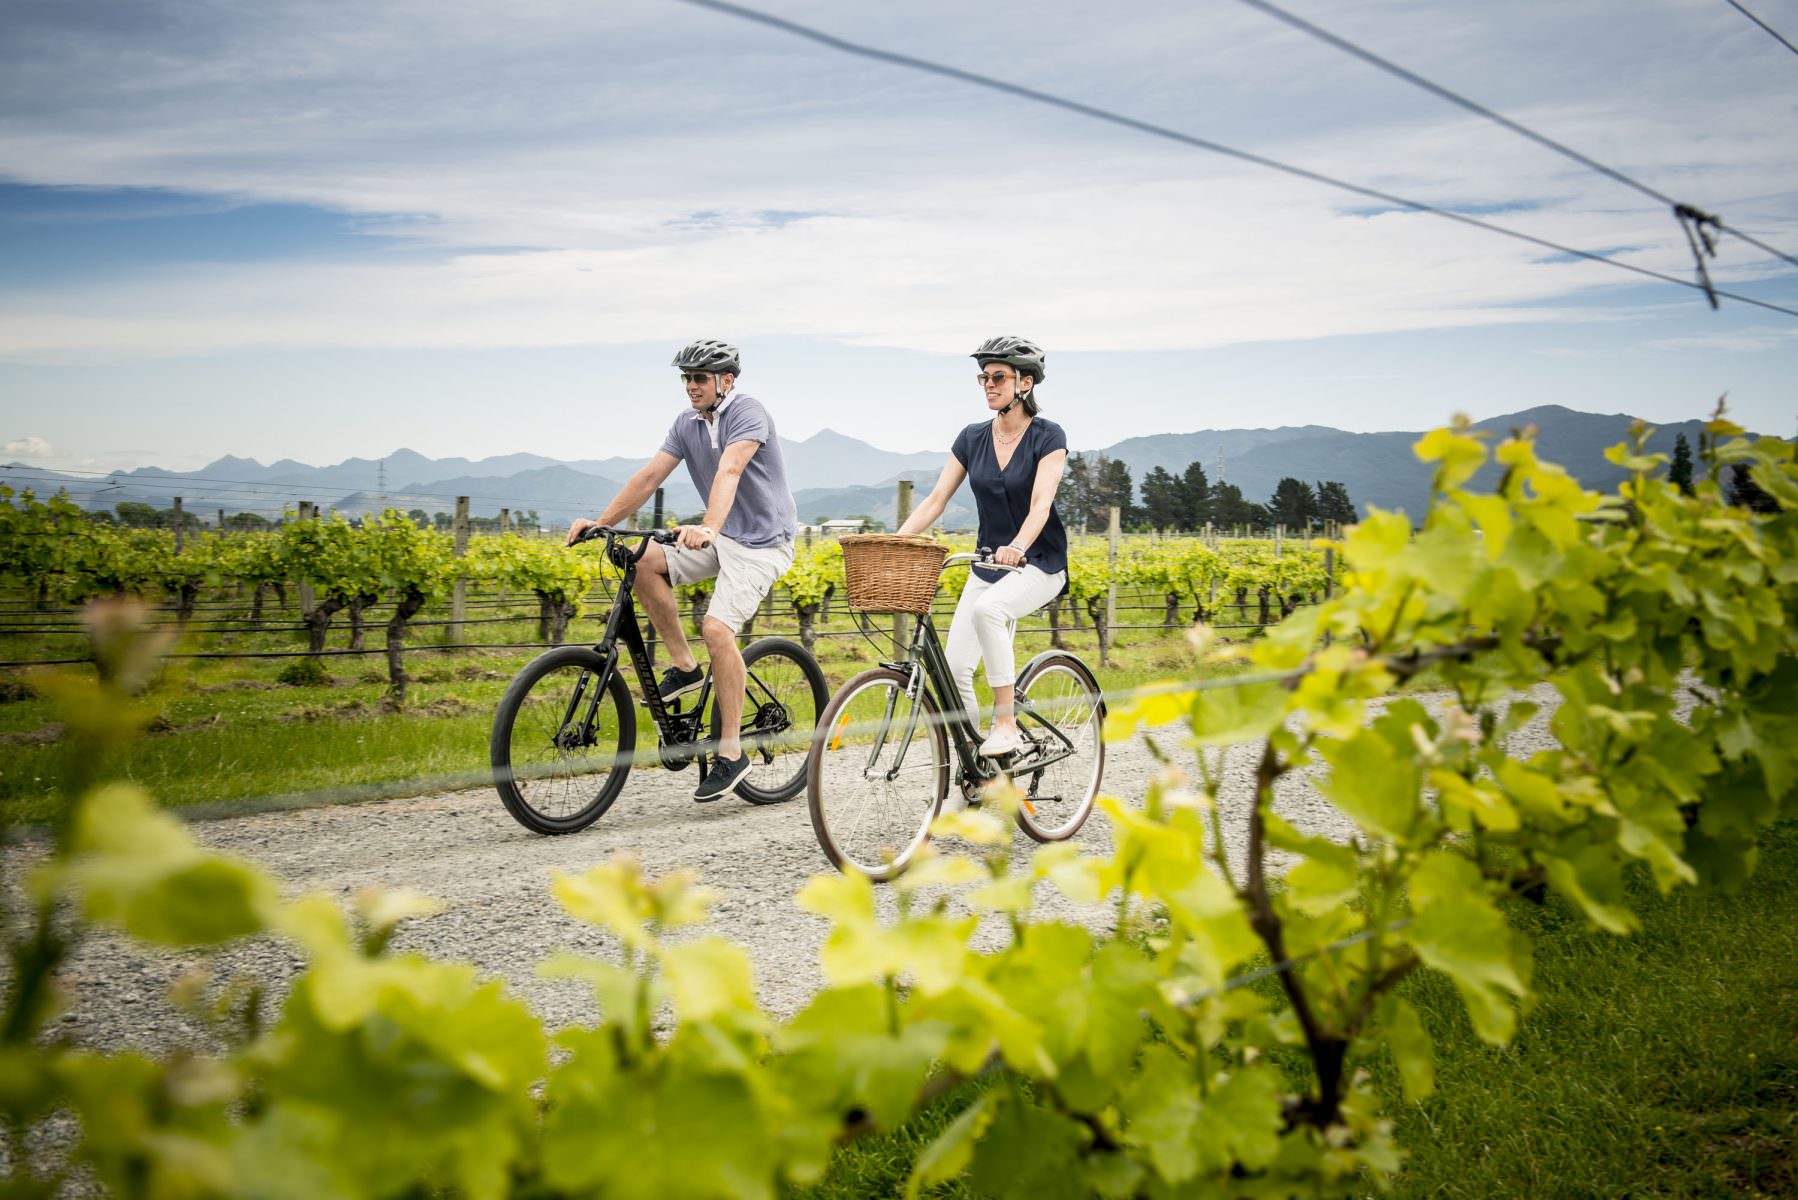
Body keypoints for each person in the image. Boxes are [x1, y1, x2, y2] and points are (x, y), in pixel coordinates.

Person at [567, 339, 798, 802]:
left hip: (762, 545)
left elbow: (730, 470)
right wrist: (601, 522)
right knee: (639, 559)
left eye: (700, 378)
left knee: (717, 630)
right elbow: (650, 477)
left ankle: (731, 752)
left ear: (726, 381)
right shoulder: (686, 423)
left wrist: (709, 527)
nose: (691, 386)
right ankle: (685, 667)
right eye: (686, 378)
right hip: (723, 537)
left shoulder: (748, 412)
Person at [895, 334, 1069, 759]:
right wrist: (896, 542)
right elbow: (936, 500)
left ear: (1024, 383)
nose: (989, 384)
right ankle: (976, 769)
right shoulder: (972, 438)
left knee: (990, 610)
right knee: (953, 672)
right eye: (984, 377)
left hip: (1038, 563)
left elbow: (1041, 505)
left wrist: (1018, 546)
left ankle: (1005, 723)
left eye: (998, 376)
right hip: (988, 564)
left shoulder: (1048, 437)